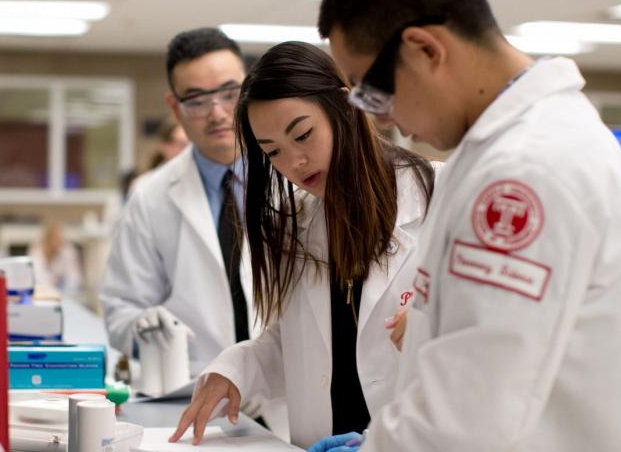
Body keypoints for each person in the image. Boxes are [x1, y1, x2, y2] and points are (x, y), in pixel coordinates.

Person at [309, 0, 621, 451]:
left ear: (425, 50)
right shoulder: (499, 151)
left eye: (372, 91)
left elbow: (468, 417)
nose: (382, 119)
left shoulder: (526, 171)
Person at [169, 41, 436, 448]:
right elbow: (294, 345)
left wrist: (437, 323)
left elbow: (499, 338)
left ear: (346, 107)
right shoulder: (294, 222)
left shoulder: (443, 197)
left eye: (303, 134)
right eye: (272, 151)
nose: (293, 162)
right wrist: (236, 368)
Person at [100, 28, 258, 376]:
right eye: (197, 100)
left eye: (230, 93)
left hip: (290, 394)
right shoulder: (148, 196)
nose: (217, 113)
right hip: (195, 389)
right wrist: (144, 329)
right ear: (175, 107)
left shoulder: (295, 179)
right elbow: (119, 311)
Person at [28, 222, 82, 297]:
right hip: (42, 293)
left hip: (63, 292)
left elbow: (74, 278)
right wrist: (51, 286)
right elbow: (37, 277)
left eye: (61, 238)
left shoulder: (68, 251)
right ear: (48, 239)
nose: (59, 242)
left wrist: (68, 289)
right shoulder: (37, 253)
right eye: (55, 238)